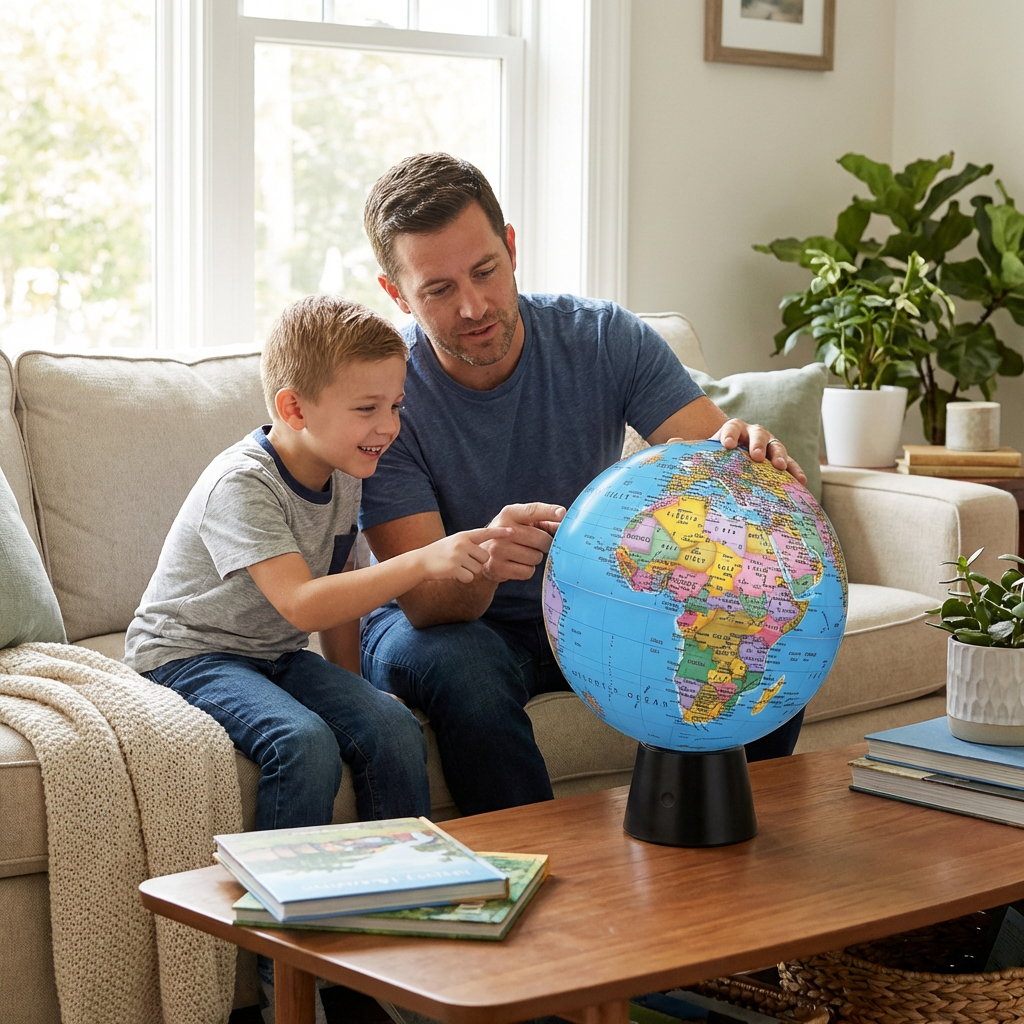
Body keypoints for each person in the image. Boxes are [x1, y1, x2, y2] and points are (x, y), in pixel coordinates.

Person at [358, 152, 809, 817]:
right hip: (444, 625)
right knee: (466, 672)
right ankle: (538, 884)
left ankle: (733, 860)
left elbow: (710, 461)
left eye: (485, 271)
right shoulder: (384, 397)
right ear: (397, 294)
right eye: (439, 289)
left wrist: (746, 456)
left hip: (584, 605)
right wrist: (483, 563)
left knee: (753, 618)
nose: (474, 305)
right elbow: (425, 600)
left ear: (511, 249)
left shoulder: (601, 337)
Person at [124, 295, 509, 1014]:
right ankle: (289, 977)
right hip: (188, 654)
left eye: (395, 405)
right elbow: (300, 603)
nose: (389, 427)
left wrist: (358, 694)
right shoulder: (242, 484)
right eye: (369, 408)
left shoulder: (344, 472)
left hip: (270, 653)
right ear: (294, 408)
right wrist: (426, 561)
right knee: (301, 743)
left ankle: (395, 948)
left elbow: (341, 590)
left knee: (392, 728)